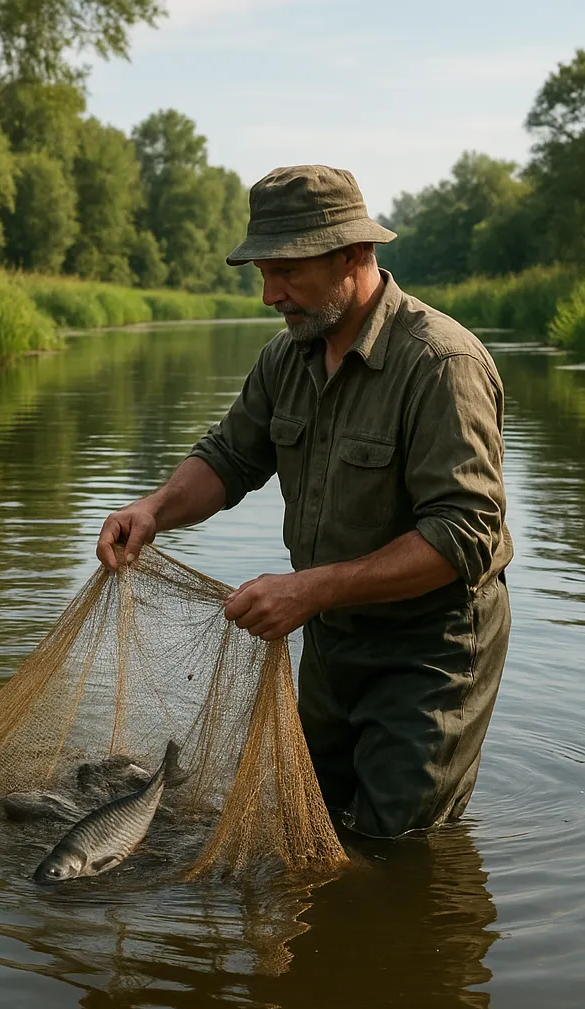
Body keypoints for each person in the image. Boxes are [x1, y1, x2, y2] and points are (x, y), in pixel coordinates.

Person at [96, 165, 512, 838]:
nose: (269, 294)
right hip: (331, 637)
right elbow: (229, 459)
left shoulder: (441, 365)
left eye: (285, 270)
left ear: (355, 254)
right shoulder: (286, 357)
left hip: (429, 648)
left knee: (391, 844)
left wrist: (309, 590)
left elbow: (463, 537)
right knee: (307, 824)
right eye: (262, 272)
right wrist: (154, 509)